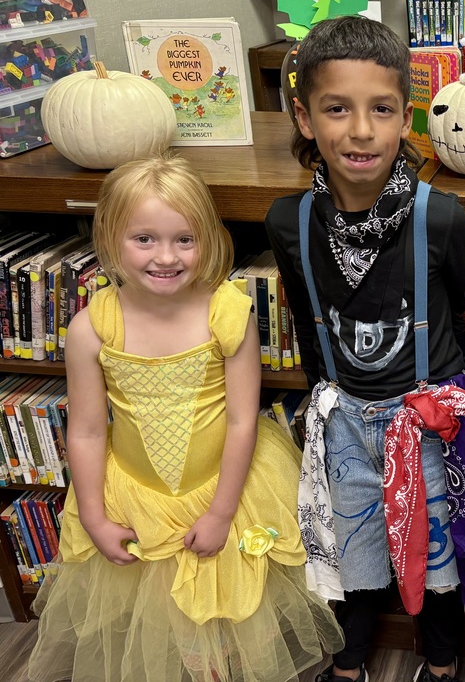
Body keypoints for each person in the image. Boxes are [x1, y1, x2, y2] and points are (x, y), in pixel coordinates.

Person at [27, 155, 343, 682]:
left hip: (226, 491)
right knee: (165, 629)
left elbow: (244, 419)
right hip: (135, 498)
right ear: (109, 237)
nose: (166, 257)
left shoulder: (228, 313)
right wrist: (94, 518)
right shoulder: (91, 329)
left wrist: (220, 514)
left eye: (184, 240)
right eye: (144, 239)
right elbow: (84, 430)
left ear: (207, 239)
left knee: (231, 618)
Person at [265, 15, 465, 682]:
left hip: (424, 420)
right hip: (343, 422)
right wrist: (319, 403)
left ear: (405, 119)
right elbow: (308, 322)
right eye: (337, 109)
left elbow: (463, 307)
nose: (360, 130)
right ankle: (350, 657)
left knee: (435, 555)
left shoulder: (439, 216)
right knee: (353, 548)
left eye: (380, 110)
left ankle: (443, 660)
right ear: (305, 118)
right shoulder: (288, 222)